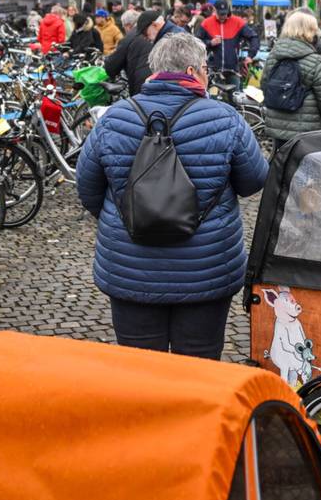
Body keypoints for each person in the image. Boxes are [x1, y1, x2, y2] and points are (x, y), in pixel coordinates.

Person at [76, 33, 268, 359]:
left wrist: (128, 216)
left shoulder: (114, 118)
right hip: (206, 269)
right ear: (194, 72)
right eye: (206, 68)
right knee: (199, 369)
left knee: (141, 371)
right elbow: (254, 180)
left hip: (132, 268)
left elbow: (87, 187)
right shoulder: (226, 119)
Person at [261, 11, 321, 149]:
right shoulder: (316, 60)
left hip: (277, 128)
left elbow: (265, 86)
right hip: (306, 130)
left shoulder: (273, 56)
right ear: (309, 31)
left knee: (280, 165)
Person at [115, 10, 186, 96]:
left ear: (154, 25)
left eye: (145, 33)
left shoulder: (172, 38)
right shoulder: (168, 35)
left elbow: (176, 70)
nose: (145, 37)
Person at [196, 1, 259, 84]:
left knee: (235, 95)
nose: (223, 16)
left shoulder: (238, 22)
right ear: (215, 11)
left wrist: (250, 55)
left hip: (233, 70)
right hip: (213, 71)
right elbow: (196, 42)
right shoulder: (206, 23)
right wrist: (210, 43)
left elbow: (254, 37)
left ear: (228, 11)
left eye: (225, 14)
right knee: (213, 96)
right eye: (220, 14)